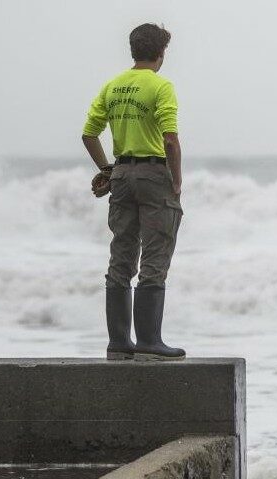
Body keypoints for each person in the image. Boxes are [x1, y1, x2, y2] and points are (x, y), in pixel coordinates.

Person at [82, 23, 185, 361]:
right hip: (154, 172)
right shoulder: (160, 86)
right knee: (155, 254)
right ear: (161, 53)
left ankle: (119, 342)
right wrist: (177, 180)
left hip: (122, 173)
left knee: (121, 255)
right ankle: (150, 341)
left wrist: (107, 169)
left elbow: (89, 134)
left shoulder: (113, 86)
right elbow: (170, 139)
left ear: (133, 50)